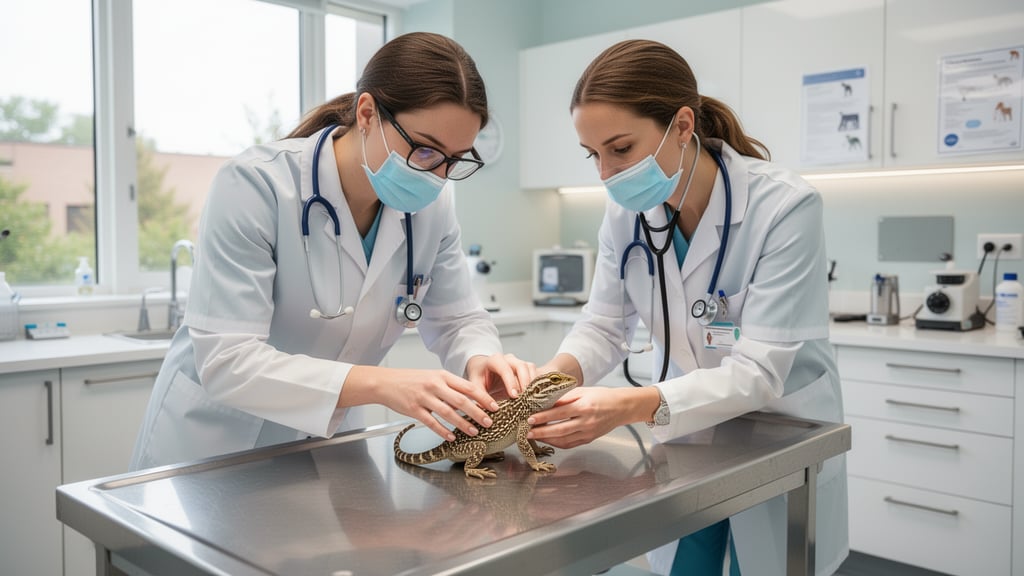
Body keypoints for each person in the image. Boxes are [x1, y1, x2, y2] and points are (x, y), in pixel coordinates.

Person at [130, 32, 535, 471]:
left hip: (328, 441)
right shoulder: (255, 185)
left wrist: (481, 358)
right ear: (367, 114)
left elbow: (458, 318)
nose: (438, 175)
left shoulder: (432, 209)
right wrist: (382, 383)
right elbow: (228, 361)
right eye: (424, 151)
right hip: (218, 445)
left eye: (455, 160)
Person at [527, 40, 848, 576]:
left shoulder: (784, 206)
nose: (605, 173)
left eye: (620, 148)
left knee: (768, 564)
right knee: (686, 563)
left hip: (780, 431)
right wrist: (549, 380)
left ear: (680, 125)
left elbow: (761, 371)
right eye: (594, 154)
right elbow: (603, 325)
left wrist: (626, 405)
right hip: (688, 431)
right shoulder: (626, 213)